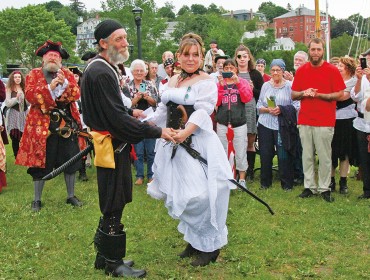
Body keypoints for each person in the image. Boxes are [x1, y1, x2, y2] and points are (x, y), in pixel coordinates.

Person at [80, 19, 175, 278]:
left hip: (113, 144)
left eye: (125, 37)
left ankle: (104, 256)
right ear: (103, 43)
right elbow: (114, 120)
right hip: (110, 145)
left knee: (116, 197)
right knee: (113, 200)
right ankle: (113, 261)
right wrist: (157, 130)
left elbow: (112, 109)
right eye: (118, 38)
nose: (125, 43)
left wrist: (129, 110)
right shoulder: (99, 71)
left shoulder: (104, 67)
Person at [147, 33, 235, 267]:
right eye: (186, 54)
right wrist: (144, 125)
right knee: (181, 192)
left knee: (202, 195)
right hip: (171, 144)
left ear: (201, 56)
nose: (191, 58)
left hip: (196, 143)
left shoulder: (206, 81)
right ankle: (195, 240)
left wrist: (185, 132)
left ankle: (211, 246)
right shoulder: (172, 81)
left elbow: (203, 111)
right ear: (178, 56)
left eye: (195, 55)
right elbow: (162, 112)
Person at [15, 40, 83, 211]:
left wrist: (65, 86)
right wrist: (50, 87)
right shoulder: (33, 74)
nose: (53, 58)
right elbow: (31, 95)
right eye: (50, 55)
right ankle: (37, 200)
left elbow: (76, 93)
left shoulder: (66, 74)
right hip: (41, 126)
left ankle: (71, 196)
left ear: (60, 60)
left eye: (56, 56)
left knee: (70, 159)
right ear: (43, 58)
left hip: (66, 124)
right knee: (40, 163)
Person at [291, 38, 346, 202]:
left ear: (323, 51)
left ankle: (324, 188)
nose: (315, 52)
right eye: (313, 49)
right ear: (309, 50)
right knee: (307, 155)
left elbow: (340, 94)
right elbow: (293, 94)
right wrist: (304, 93)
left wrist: (321, 95)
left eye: (318, 49)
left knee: (324, 156)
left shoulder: (332, 70)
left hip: (325, 120)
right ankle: (309, 186)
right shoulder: (301, 70)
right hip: (305, 119)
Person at [256, 59, 300, 191]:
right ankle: (265, 182)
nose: (275, 73)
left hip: (283, 124)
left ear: (283, 71)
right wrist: (267, 109)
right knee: (265, 153)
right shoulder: (265, 86)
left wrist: (281, 109)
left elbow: (297, 105)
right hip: (265, 123)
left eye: (278, 70)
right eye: (273, 70)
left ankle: (286, 183)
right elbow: (259, 105)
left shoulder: (290, 86)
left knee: (283, 154)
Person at [215, 59, 253, 188]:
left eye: (232, 68)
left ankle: (242, 178)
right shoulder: (219, 83)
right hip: (222, 122)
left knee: (240, 150)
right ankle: (226, 177)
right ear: (223, 70)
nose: (229, 70)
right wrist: (220, 86)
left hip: (239, 122)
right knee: (223, 150)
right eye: (227, 68)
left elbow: (247, 98)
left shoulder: (242, 82)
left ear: (236, 69)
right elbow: (217, 102)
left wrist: (238, 83)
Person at [234, 44, 264, 181]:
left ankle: (250, 170)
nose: (242, 59)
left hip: (250, 109)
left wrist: (253, 89)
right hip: (236, 109)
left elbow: (263, 95)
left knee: (250, 141)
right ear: (236, 58)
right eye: (239, 56)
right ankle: (237, 170)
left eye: (244, 56)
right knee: (236, 141)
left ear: (249, 58)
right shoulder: (233, 73)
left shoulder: (255, 74)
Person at [128, 59, 159, 185]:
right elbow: (127, 105)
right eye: (137, 70)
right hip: (135, 122)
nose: (139, 73)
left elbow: (156, 102)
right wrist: (137, 97)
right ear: (132, 72)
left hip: (150, 121)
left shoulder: (150, 85)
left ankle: (151, 175)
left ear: (145, 72)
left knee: (151, 151)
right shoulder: (127, 86)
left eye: (141, 70)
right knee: (139, 151)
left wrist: (147, 97)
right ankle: (139, 175)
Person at [330, 57, 358, 194]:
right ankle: (331, 180)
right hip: (331, 119)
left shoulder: (353, 82)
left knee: (344, 153)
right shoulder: (333, 79)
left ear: (349, 68)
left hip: (346, 120)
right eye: (338, 65)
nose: (339, 67)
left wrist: (329, 95)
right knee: (331, 151)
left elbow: (342, 97)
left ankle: (343, 181)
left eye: (341, 66)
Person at [350, 47, 370, 199]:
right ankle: (367, 189)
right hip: (362, 121)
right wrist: (358, 79)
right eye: (364, 60)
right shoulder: (361, 77)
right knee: (364, 157)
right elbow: (355, 97)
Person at [68, 66, 89, 182]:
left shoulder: (83, 89)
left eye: (76, 75)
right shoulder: (64, 89)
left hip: (82, 121)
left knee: (82, 145)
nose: (74, 78)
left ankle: (82, 171)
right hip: (68, 122)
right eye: (71, 75)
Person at [5, 71, 29, 158]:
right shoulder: (9, 89)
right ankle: (16, 155)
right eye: (15, 77)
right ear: (12, 78)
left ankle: (25, 155)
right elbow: (7, 103)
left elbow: (29, 103)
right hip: (14, 115)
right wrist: (16, 98)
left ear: (21, 78)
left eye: (19, 77)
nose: (17, 79)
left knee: (26, 135)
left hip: (24, 114)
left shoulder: (25, 88)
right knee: (15, 135)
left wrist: (27, 97)